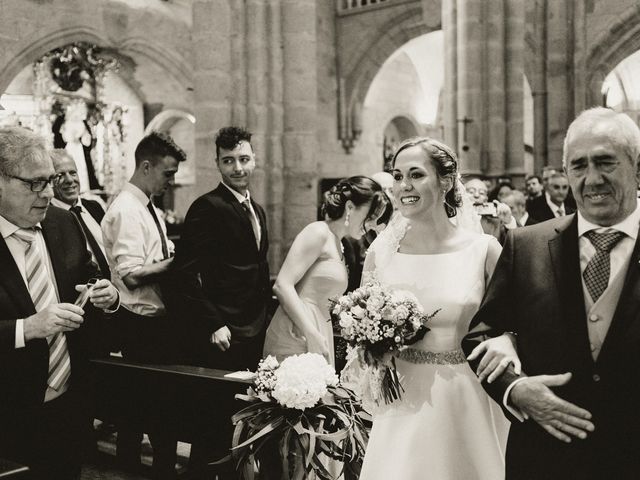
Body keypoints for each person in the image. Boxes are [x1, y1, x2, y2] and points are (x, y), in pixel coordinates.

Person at [463, 107, 640, 479]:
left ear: (636, 166)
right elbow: (480, 335)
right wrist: (515, 389)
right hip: (545, 457)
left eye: (605, 163)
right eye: (578, 166)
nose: (592, 179)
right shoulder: (526, 245)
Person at [358, 137, 518, 479]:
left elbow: (516, 322)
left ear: (446, 181)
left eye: (416, 175)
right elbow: (361, 324)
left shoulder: (483, 250)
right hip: (401, 397)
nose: (404, 186)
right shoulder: (380, 254)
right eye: (398, 176)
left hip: (465, 395)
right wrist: (373, 342)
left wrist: (508, 341)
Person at [0, 126, 119, 480]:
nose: (48, 193)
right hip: (8, 410)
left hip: (69, 403)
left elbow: (91, 277)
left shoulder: (63, 222)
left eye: (49, 180)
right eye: (35, 183)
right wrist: (29, 327)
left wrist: (107, 297)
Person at [167, 126, 271, 479]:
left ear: (254, 159)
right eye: (229, 161)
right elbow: (184, 273)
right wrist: (212, 323)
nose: (238, 168)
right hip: (224, 330)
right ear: (218, 164)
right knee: (214, 420)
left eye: (243, 159)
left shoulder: (256, 208)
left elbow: (257, 266)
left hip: (254, 325)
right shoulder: (207, 206)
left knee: (246, 416)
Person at [101, 131, 186, 479]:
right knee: (139, 419)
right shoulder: (125, 210)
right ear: (146, 166)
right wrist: (181, 263)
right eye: (168, 173)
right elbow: (132, 276)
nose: (172, 180)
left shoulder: (145, 205)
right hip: (137, 326)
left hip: (154, 324)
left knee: (159, 417)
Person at [263, 176, 389, 364]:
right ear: (350, 207)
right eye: (370, 217)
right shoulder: (318, 232)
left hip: (320, 327)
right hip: (297, 330)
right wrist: (310, 332)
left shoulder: (339, 243)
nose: (372, 225)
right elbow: (282, 285)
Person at [50, 148, 110, 278]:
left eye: (73, 173)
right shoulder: (48, 219)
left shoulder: (95, 207)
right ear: (49, 181)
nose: (69, 180)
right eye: (59, 175)